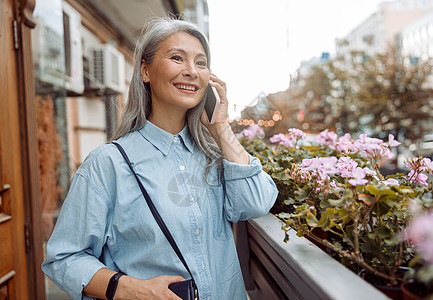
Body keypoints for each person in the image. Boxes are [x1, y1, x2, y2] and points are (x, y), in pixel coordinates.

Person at [42, 17, 278, 300]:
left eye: (201, 63)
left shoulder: (216, 157)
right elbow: (64, 257)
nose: (191, 71)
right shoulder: (108, 165)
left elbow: (257, 203)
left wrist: (220, 127)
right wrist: (129, 288)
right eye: (177, 58)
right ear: (145, 70)